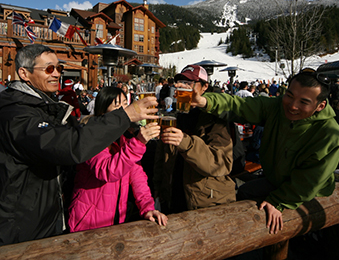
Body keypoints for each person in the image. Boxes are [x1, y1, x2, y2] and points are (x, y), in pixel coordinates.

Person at [0, 44, 158, 246]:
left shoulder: (45, 107)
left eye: (59, 68)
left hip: (47, 219)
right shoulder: (16, 113)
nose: (56, 74)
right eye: (49, 69)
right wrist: (126, 117)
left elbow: (134, 173)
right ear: (24, 73)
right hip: (21, 227)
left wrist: (147, 206)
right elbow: (71, 145)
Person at [190, 68, 339, 235]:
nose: (292, 106)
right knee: (245, 192)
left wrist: (278, 201)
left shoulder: (329, 133)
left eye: (303, 102)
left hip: (311, 193)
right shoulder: (276, 107)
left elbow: (310, 180)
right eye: (289, 96)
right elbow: (241, 105)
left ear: (320, 106)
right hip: (276, 180)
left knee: (283, 229)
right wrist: (205, 101)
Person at [68, 87, 167, 232]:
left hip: (116, 219)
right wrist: (139, 142)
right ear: (103, 111)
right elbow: (107, 171)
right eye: (117, 105)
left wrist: (147, 208)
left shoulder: (125, 137)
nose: (124, 110)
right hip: (88, 222)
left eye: (125, 103)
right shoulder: (91, 134)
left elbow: (137, 177)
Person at [153, 65, 236, 214]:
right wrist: (158, 187)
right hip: (174, 200)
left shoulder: (215, 120)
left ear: (204, 87)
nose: (183, 87)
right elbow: (162, 158)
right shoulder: (174, 117)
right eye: (181, 83)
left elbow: (221, 163)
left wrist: (185, 143)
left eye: (189, 83)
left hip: (206, 204)